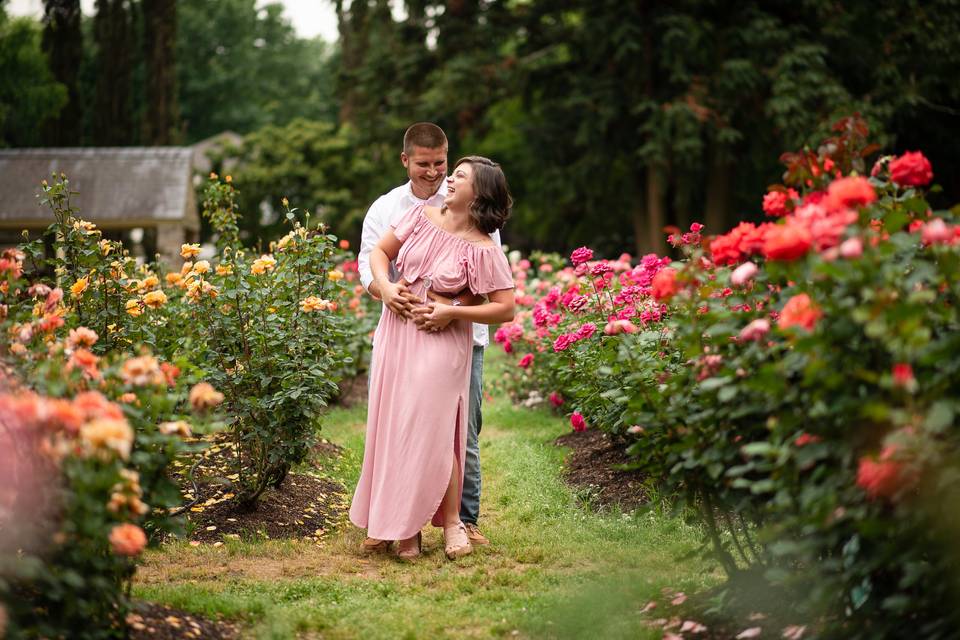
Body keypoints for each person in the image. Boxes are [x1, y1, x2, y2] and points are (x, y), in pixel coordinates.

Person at [349, 154, 514, 560]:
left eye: (460, 176)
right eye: (452, 173)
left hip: (442, 341)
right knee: (397, 425)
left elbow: (505, 308)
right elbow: (379, 254)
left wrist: (453, 311)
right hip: (397, 332)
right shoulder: (419, 216)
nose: (449, 180)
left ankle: (454, 521)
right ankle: (405, 529)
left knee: (439, 432)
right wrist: (386, 289)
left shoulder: (483, 248)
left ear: (479, 193)